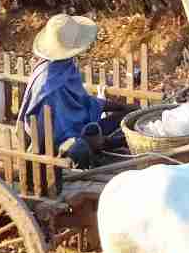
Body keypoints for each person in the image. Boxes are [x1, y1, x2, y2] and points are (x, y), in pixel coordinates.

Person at [17, 13, 138, 169]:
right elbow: (51, 131)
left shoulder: (66, 65)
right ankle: (96, 151)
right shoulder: (47, 82)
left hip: (80, 126)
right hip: (57, 142)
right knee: (80, 149)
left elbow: (83, 101)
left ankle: (102, 144)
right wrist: (83, 137)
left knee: (127, 118)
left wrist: (121, 107)